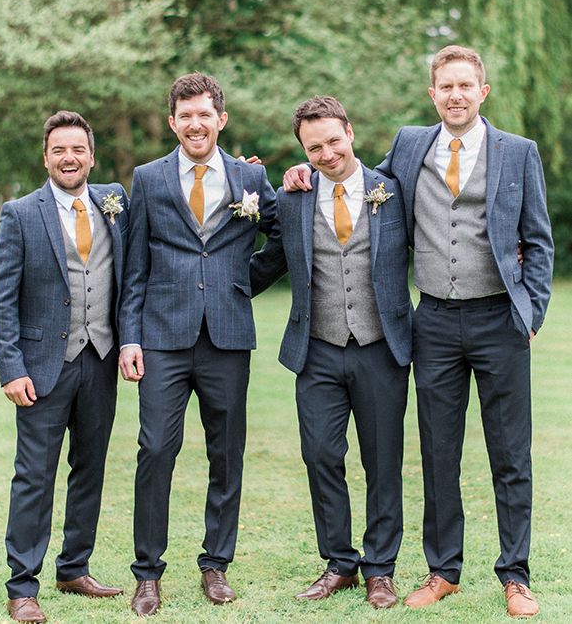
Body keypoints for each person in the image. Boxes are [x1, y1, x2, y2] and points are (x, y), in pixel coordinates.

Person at [284, 45, 554, 618]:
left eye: (465, 86)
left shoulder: (518, 152)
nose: (455, 95)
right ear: (433, 94)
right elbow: (349, 173)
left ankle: (515, 574)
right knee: (438, 452)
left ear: (482, 91)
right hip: (431, 321)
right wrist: (302, 171)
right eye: (445, 87)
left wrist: (530, 311)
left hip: (500, 320)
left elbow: (540, 238)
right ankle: (443, 570)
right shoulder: (410, 145)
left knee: (510, 455)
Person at [118, 73, 277, 616]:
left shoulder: (249, 178)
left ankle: (216, 565)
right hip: (162, 336)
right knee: (156, 449)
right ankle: (147, 573)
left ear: (221, 119)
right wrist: (130, 337)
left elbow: (283, 234)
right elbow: (134, 264)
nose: (195, 124)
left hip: (228, 336)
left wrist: (242, 282)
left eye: (204, 114)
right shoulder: (149, 178)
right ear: (172, 122)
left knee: (226, 452)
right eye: (185, 116)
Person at [250, 96, 412, 609]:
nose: (326, 154)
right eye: (313, 147)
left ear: (351, 133)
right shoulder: (293, 197)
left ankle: (380, 569)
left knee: (383, 460)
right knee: (320, 454)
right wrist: (204, 284)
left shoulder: (394, 189)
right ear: (303, 150)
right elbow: (269, 259)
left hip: (382, 346)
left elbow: (441, 232)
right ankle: (339, 563)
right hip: (316, 348)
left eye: (333, 141)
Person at [0, 111, 128, 623]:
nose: (69, 158)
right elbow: (0, 299)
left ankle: (74, 568)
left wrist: (242, 176)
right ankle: (23, 585)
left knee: (89, 469)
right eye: (59, 151)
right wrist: (11, 368)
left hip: (101, 358)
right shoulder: (20, 213)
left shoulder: (115, 203)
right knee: (34, 476)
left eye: (78, 149)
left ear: (91, 155)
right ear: (45, 157)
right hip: (43, 367)